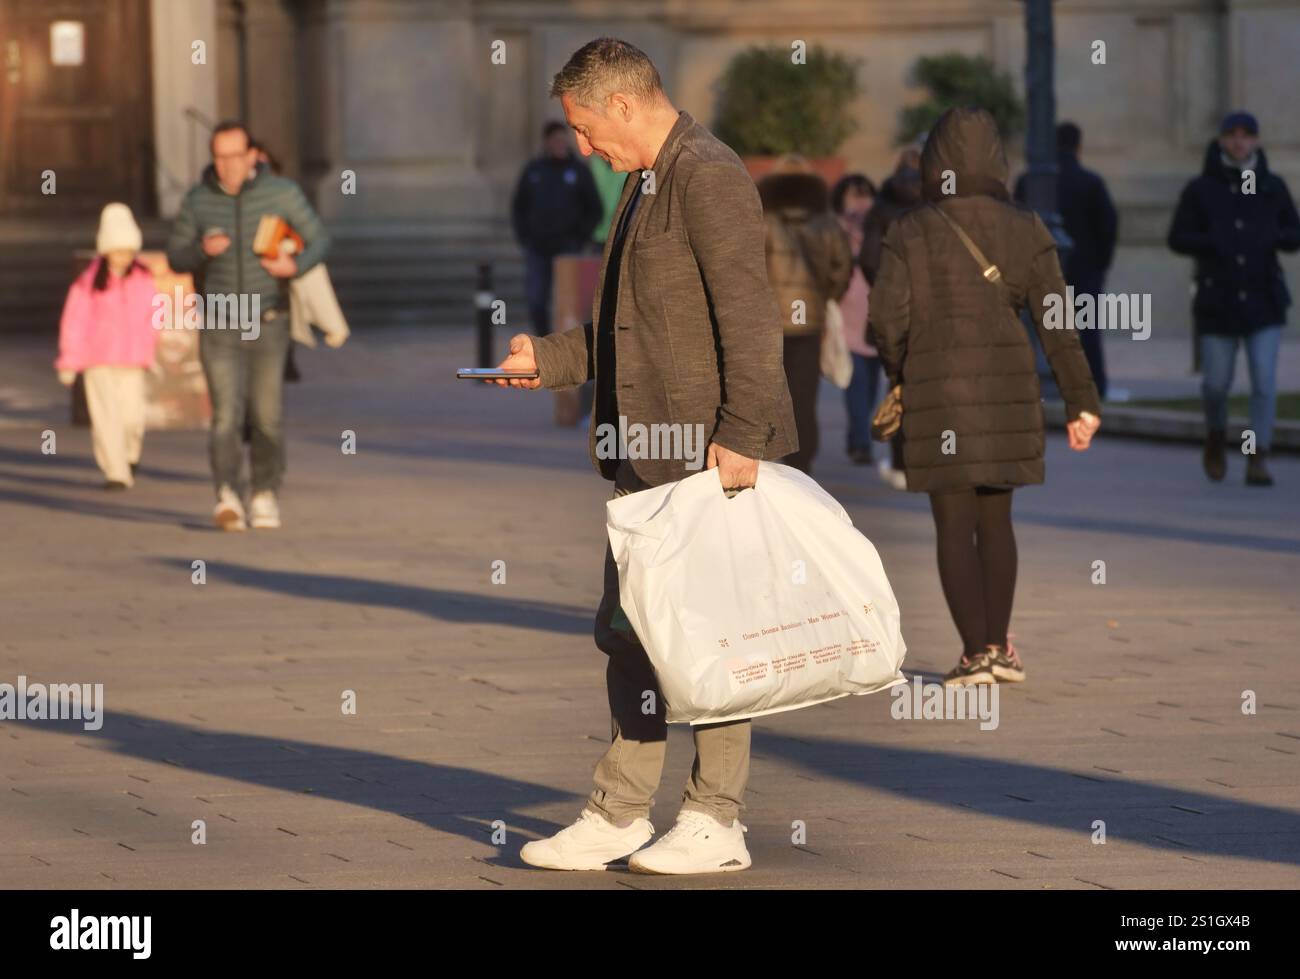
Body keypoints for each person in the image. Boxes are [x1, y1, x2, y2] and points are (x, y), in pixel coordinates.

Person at [489, 37, 797, 874]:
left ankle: (715, 817)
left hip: (706, 454)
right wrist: (547, 361)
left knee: (710, 639)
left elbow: (751, 316)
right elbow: (625, 327)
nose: (582, 146)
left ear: (622, 105)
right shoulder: (643, 183)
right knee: (630, 631)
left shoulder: (708, 174)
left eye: (585, 128)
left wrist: (742, 431)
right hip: (642, 453)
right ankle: (620, 812)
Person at [871, 107, 1101, 688]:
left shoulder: (909, 229)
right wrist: (1081, 401)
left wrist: (902, 370)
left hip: (935, 390)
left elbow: (885, 320)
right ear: (997, 158)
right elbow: (1057, 320)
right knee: (997, 519)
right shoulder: (1026, 227)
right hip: (1008, 390)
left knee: (953, 522)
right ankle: (999, 648)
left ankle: (974, 654)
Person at [166, 120, 332, 531]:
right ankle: (226, 495)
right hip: (221, 320)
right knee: (224, 416)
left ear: (252, 155)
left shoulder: (282, 193)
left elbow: (320, 239)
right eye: (219, 157)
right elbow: (175, 256)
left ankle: (264, 492)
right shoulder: (199, 200)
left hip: (267, 320)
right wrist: (201, 250)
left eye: (235, 156)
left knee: (266, 415)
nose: (227, 166)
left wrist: (293, 265)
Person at [1168, 110, 1300, 487]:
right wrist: (1214, 242)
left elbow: (1293, 233)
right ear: (1223, 140)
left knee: (1264, 381)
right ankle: (1215, 436)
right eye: (1233, 135)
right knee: (1215, 384)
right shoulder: (1201, 188)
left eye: (1247, 135)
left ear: (1256, 141)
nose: (1240, 141)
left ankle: (1257, 455)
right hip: (1218, 300)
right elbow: (1177, 237)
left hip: (1263, 298)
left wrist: (1270, 236)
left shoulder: (1271, 185)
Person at [757, 155, 852, 476]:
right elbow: (842, 266)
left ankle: (765, 458)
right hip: (808, 322)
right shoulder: (825, 220)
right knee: (803, 395)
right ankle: (801, 463)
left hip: (767, 322)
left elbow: (748, 267)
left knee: (765, 391)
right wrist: (826, 298)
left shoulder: (762, 218)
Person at [55, 203, 159, 490]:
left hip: (134, 360)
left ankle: (130, 455)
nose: (122, 256)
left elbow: (153, 316)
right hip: (98, 360)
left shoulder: (143, 278)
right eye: (117, 249)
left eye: (127, 249)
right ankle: (116, 471)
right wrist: (69, 361)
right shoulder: (89, 281)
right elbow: (74, 321)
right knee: (106, 419)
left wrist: (152, 347)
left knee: (132, 418)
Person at [1014, 122, 1118, 399]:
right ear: (1078, 146)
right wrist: (1099, 265)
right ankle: (1094, 387)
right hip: (1086, 270)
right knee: (1088, 333)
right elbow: (1107, 227)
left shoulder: (1028, 182)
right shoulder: (1090, 182)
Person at [861, 147, 923, 490]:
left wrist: (884, 288)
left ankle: (901, 464)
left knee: (898, 384)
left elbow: (869, 259)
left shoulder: (883, 208)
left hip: (895, 308)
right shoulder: (934, 204)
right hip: (931, 308)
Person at [510, 120, 604, 337]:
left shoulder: (579, 171)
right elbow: (519, 207)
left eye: (563, 139)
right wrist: (524, 237)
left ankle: (567, 344)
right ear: (547, 142)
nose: (560, 144)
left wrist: (581, 237)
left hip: (568, 247)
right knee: (536, 298)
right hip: (538, 248)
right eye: (556, 140)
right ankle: (543, 340)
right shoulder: (533, 171)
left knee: (568, 302)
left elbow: (594, 208)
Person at [831, 173, 880, 464]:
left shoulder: (881, 224)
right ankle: (861, 441)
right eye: (854, 194)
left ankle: (857, 434)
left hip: (876, 310)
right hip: (847, 308)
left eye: (865, 193)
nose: (860, 200)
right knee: (857, 380)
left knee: (871, 381)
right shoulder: (836, 227)